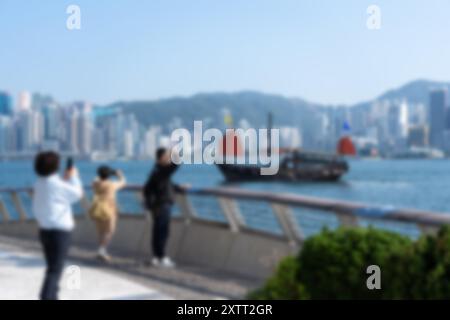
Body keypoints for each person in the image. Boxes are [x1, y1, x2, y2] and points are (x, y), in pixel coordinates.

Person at [32, 151, 83, 300]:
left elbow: (57, 192)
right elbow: (77, 194)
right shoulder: (55, 184)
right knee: (55, 270)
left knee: (52, 268)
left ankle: (52, 296)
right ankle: (47, 296)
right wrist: (73, 176)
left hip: (45, 230)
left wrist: (65, 179)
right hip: (59, 233)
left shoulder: (40, 183)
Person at [143, 147, 182, 268]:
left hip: (157, 205)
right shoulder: (161, 170)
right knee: (163, 231)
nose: (168, 159)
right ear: (161, 158)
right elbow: (176, 165)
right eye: (166, 156)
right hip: (162, 204)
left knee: (157, 231)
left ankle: (156, 257)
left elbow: (164, 184)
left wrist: (178, 188)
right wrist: (174, 153)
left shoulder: (156, 170)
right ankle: (162, 257)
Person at [89, 166, 126, 262]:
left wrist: (102, 175)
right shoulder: (111, 185)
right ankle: (102, 250)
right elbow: (123, 183)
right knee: (109, 231)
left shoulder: (95, 184)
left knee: (101, 232)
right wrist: (119, 175)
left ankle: (101, 250)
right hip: (109, 210)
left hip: (97, 209)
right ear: (108, 175)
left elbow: (95, 179)